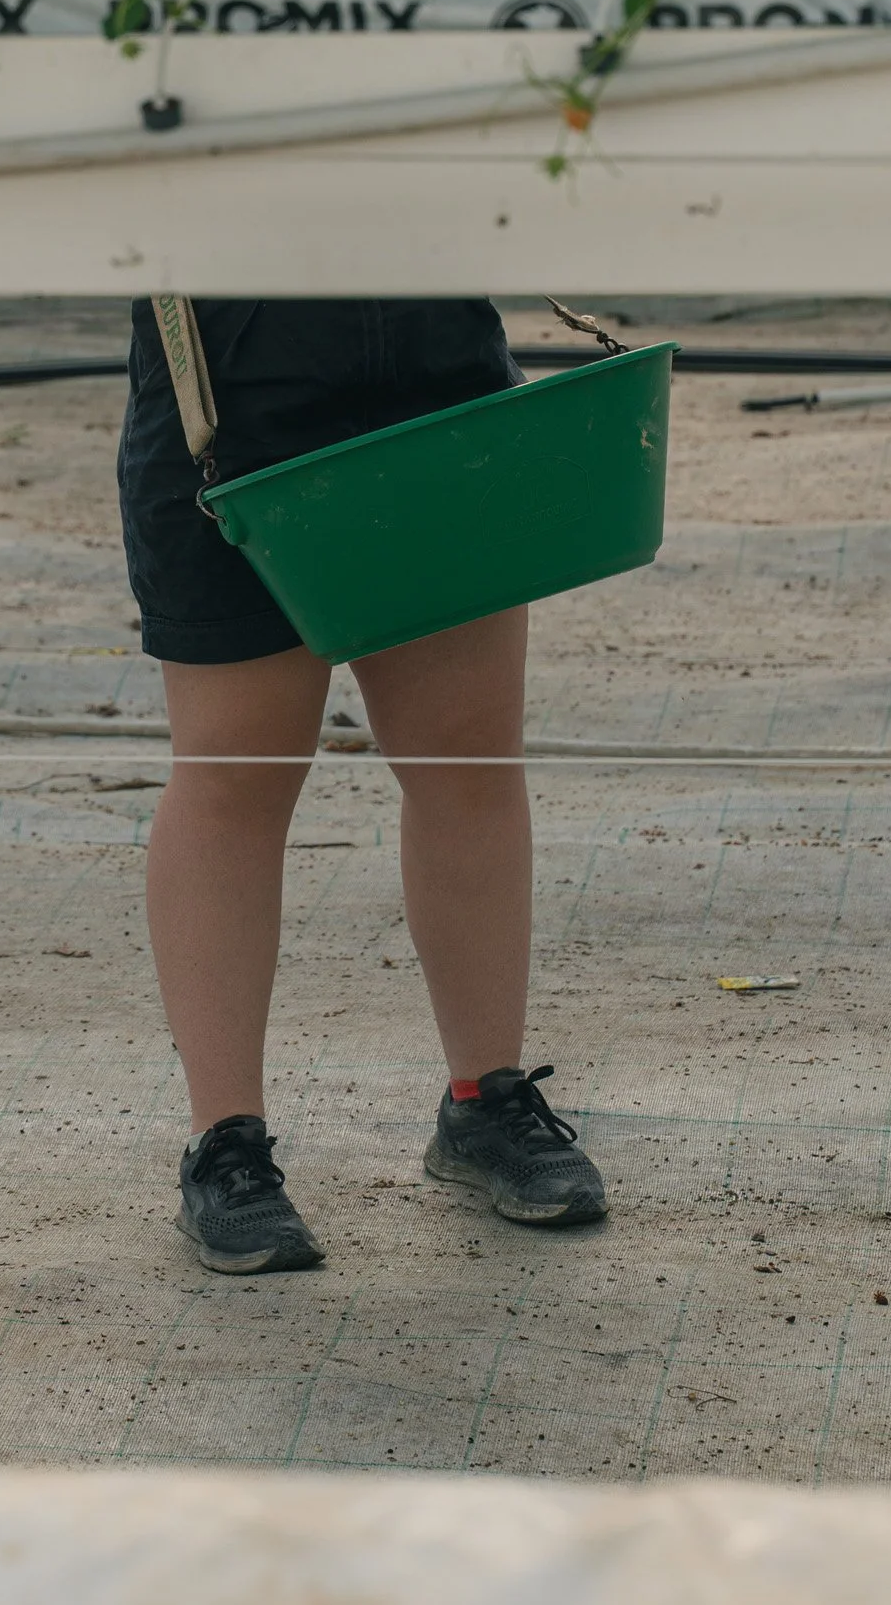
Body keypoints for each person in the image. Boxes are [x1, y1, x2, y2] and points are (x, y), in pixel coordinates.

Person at [118, 295, 607, 1274]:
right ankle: (226, 1147)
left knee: (464, 757)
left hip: (435, 376)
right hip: (228, 397)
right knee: (233, 773)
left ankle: (484, 1101)